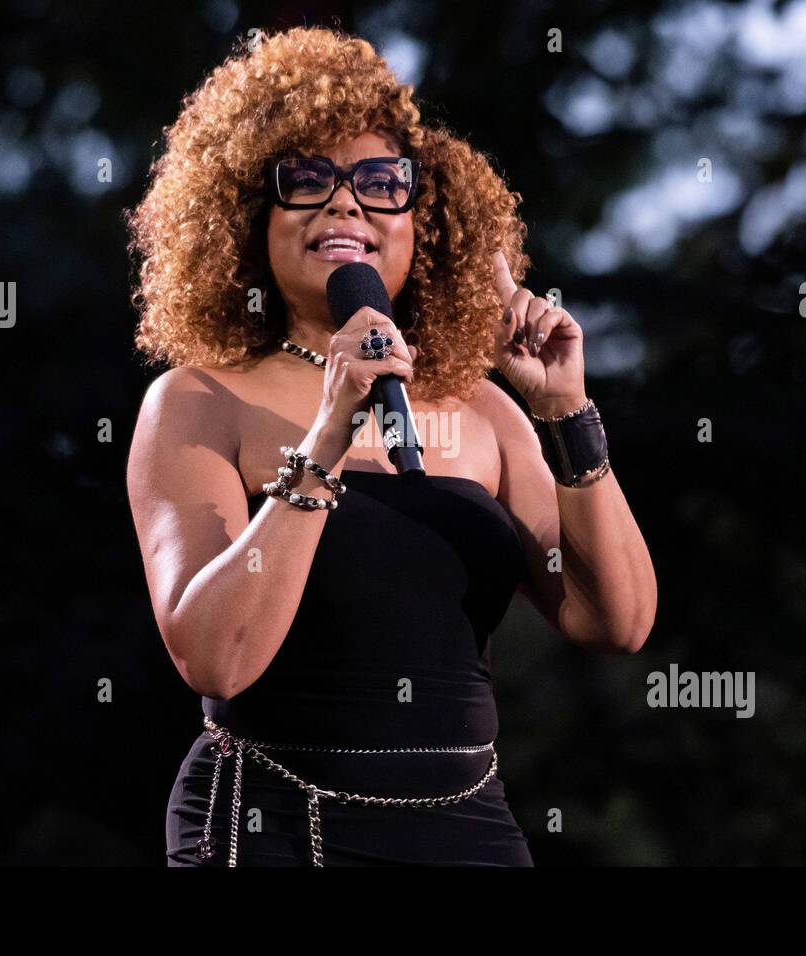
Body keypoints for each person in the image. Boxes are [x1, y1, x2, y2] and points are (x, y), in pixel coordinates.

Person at [123, 26, 657, 866]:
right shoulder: (197, 400)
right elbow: (216, 656)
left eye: (381, 183)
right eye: (307, 181)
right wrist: (329, 435)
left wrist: (565, 411)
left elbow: (616, 619)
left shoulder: (484, 411)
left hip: (466, 823)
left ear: (425, 221)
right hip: (275, 823)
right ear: (247, 218)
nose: (346, 204)